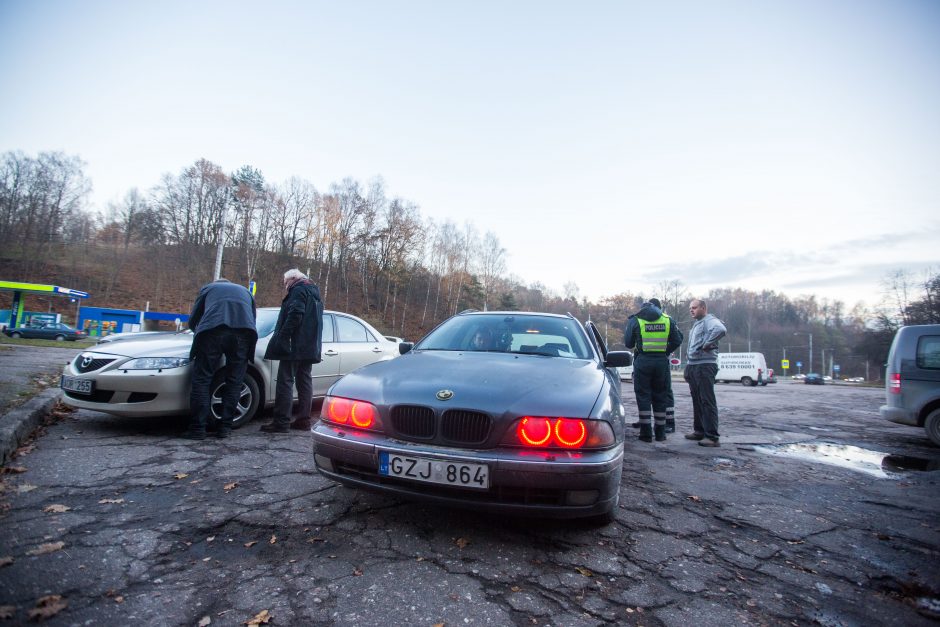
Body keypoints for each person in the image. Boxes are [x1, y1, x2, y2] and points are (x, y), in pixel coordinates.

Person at [185, 278, 257, 440]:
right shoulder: (246, 292)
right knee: (235, 381)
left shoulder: (209, 288)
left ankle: (198, 429)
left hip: (213, 331)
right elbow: (252, 318)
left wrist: (198, 332)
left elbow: (194, 319)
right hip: (243, 334)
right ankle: (225, 428)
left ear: (217, 282)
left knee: (202, 379)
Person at [260, 269, 324, 433]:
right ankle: (304, 420)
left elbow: (296, 314)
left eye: (286, 282)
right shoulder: (314, 292)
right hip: (310, 346)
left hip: (294, 345)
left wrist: (283, 337)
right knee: (304, 381)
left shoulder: (298, 290)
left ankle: (281, 421)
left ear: (294, 279)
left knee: (285, 381)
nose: (285, 286)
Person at [624, 299, 683, 442]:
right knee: (661, 396)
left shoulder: (636, 320)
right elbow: (677, 340)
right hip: (661, 362)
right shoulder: (668, 319)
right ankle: (661, 434)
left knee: (643, 396)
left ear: (642, 309)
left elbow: (628, 343)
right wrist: (665, 351)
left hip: (643, 361)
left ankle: (646, 434)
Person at [684, 299, 727, 447]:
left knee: (707, 401)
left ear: (703, 308)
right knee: (698, 401)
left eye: (694, 308)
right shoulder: (698, 323)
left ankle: (712, 436)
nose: (691, 310)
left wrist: (707, 344)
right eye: (690, 308)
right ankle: (700, 431)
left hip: (704, 366)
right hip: (695, 366)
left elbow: (720, 329)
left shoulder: (710, 320)